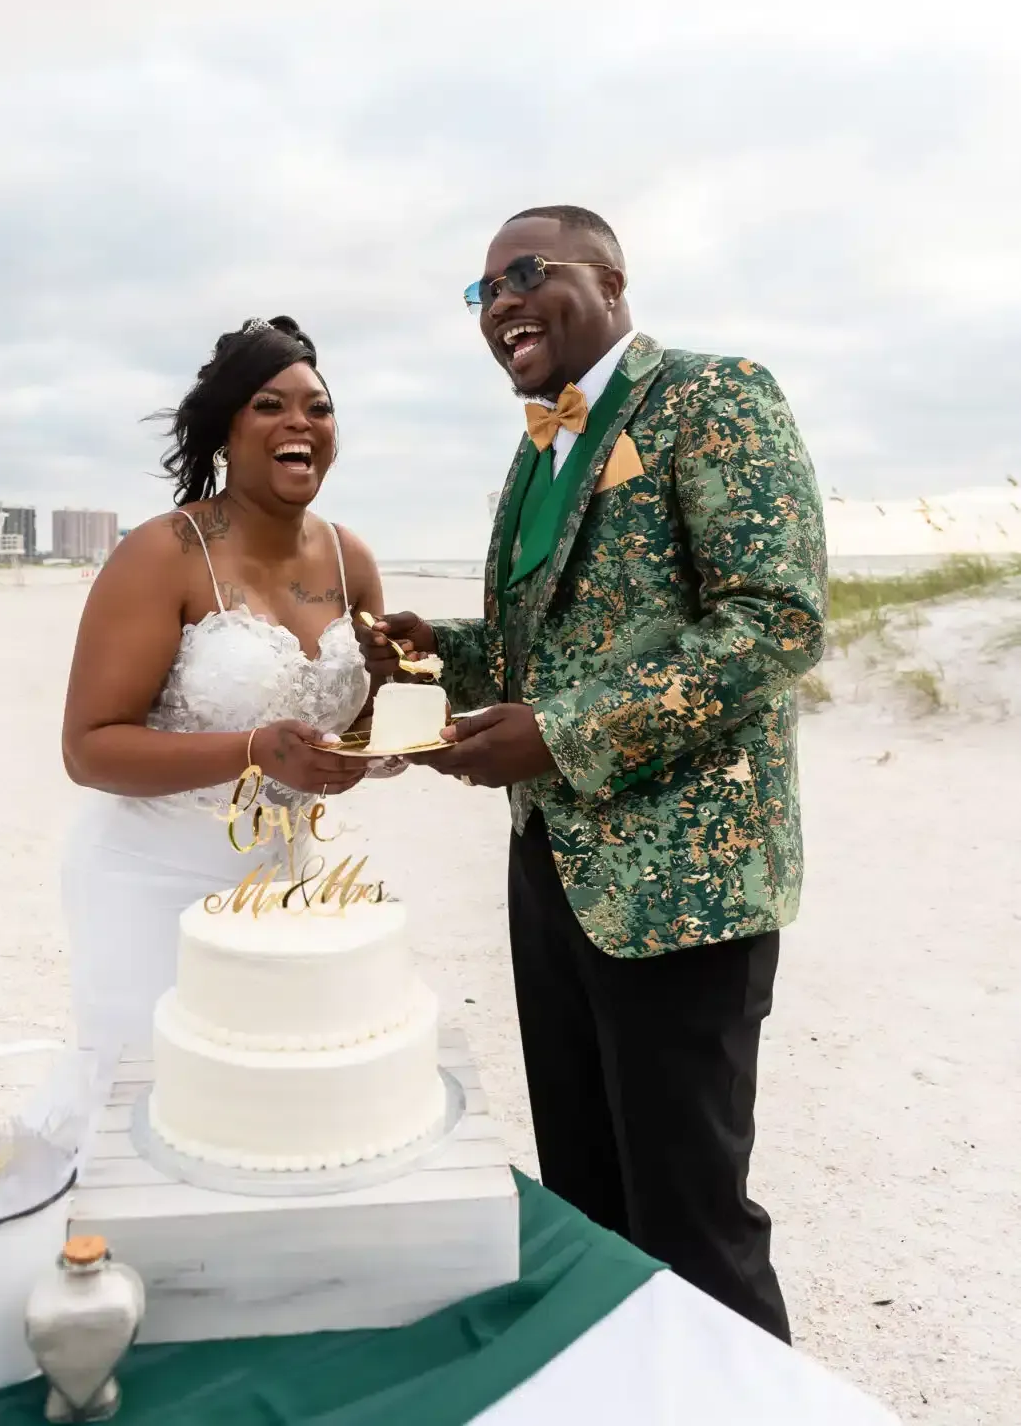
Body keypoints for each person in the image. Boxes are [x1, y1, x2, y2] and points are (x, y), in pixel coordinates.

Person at [358, 206, 826, 1342]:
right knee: (585, 1191)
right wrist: (437, 653)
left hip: (679, 889)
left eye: (526, 272)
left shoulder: (715, 397)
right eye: (483, 293)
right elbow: (543, 648)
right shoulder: (537, 450)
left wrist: (559, 732)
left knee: (688, 1214)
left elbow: (774, 622)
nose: (503, 304)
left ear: (610, 277)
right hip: (549, 866)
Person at [61, 315, 378, 1065]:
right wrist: (251, 752)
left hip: (292, 883)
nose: (300, 421)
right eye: (269, 404)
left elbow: (351, 724)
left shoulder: (350, 558)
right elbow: (89, 748)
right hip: (152, 881)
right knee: (156, 1100)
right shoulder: (162, 553)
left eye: (318, 407)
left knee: (265, 1108)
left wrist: (361, 756)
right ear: (225, 432)